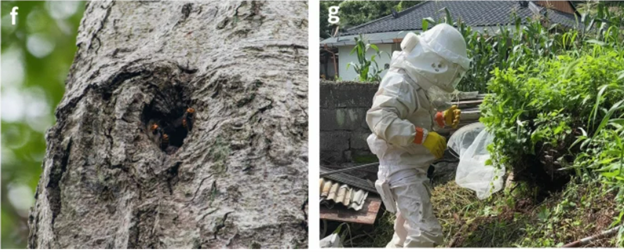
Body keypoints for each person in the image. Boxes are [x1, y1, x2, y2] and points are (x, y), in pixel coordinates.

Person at [366, 23, 470, 248]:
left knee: (404, 236)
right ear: (438, 64)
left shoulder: (415, 82)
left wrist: (441, 119)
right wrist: (424, 137)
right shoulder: (400, 83)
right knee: (426, 234)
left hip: (410, 169)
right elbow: (380, 119)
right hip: (401, 171)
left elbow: (414, 118)